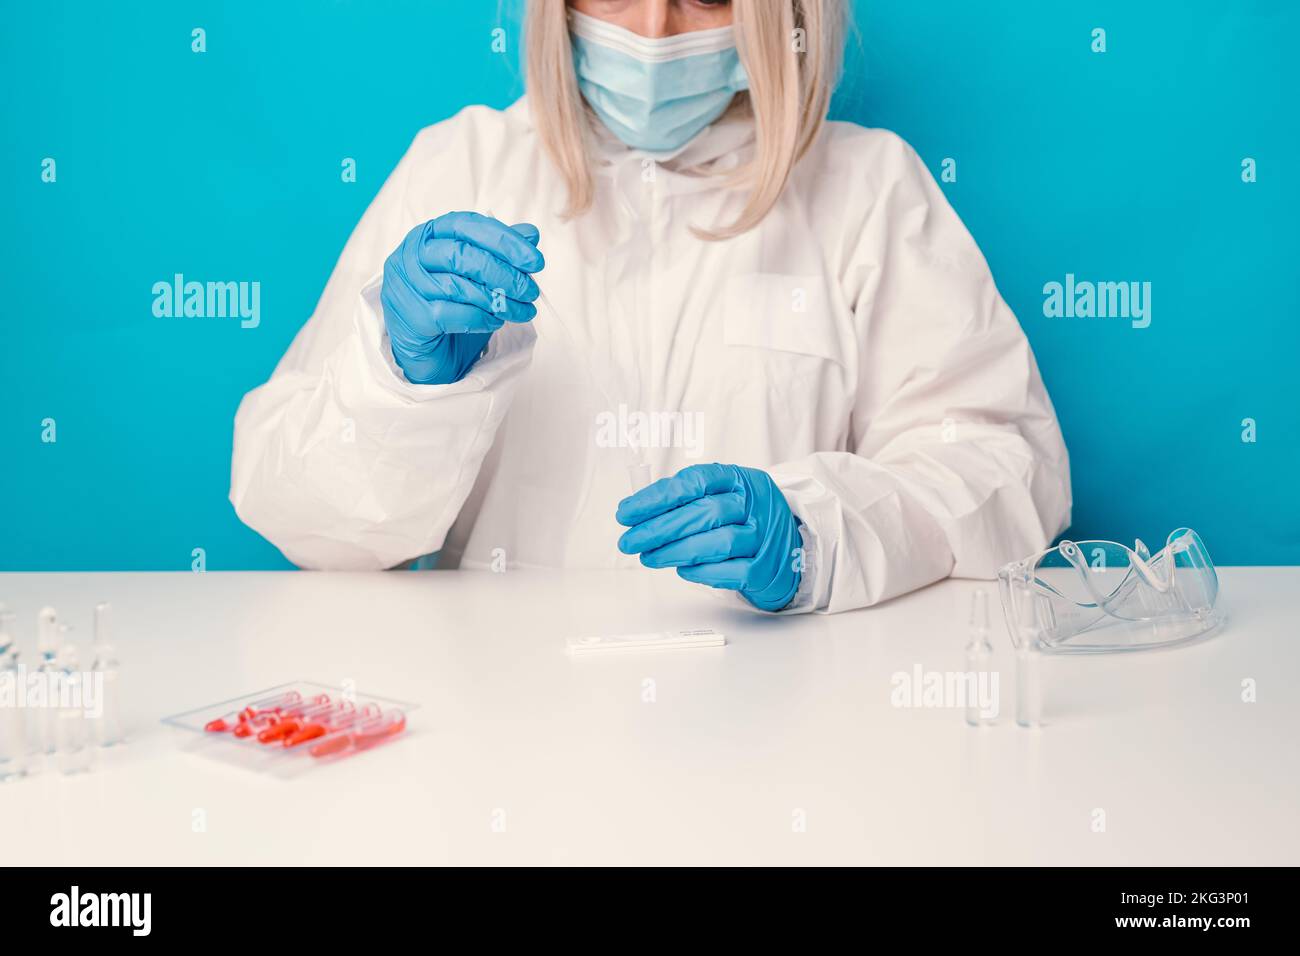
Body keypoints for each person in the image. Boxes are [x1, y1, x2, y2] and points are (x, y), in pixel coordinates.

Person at [230, 0, 1071, 614]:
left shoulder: (867, 189)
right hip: (495, 737)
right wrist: (399, 387)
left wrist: (813, 533)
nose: (654, 32)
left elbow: (1004, 469)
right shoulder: (461, 165)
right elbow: (300, 521)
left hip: (781, 732)